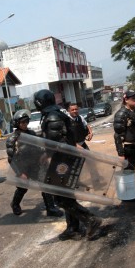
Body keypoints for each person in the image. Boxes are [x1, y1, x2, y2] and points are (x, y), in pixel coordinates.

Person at [33, 89, 102, 241]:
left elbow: (59, 144)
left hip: (62, 163)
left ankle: (91, 220)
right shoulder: (56, 114)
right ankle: (73, 227)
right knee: (67, 196)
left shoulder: (52, 117)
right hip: (64, 161)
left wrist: (50, 157)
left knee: (61, 199)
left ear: (39, 102)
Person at [6, 109, 64, 217]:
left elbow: (37, 147)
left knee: (45, 184)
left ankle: (50, 208)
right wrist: (20, 173)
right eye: (22, 122)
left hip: (36, 164)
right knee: (22, 188)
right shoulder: (12, 139)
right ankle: (15, 204)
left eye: (26, 121)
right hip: (23, 167)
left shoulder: (31, 133)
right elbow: (11, 159)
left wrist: (44, 155)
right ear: (17, 124)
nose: (25, 124)